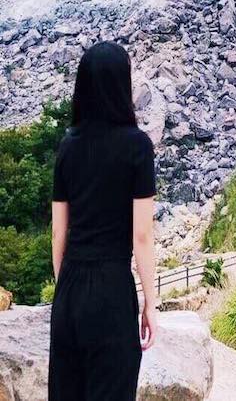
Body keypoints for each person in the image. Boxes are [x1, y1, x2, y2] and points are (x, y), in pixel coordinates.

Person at [49, 41, 158, 401]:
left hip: (70, 288)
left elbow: (58, 232)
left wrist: (64, 288)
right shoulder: (137, 147)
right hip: (111, 289)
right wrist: (150, 306)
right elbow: (142, 237)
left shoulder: (69, 145)